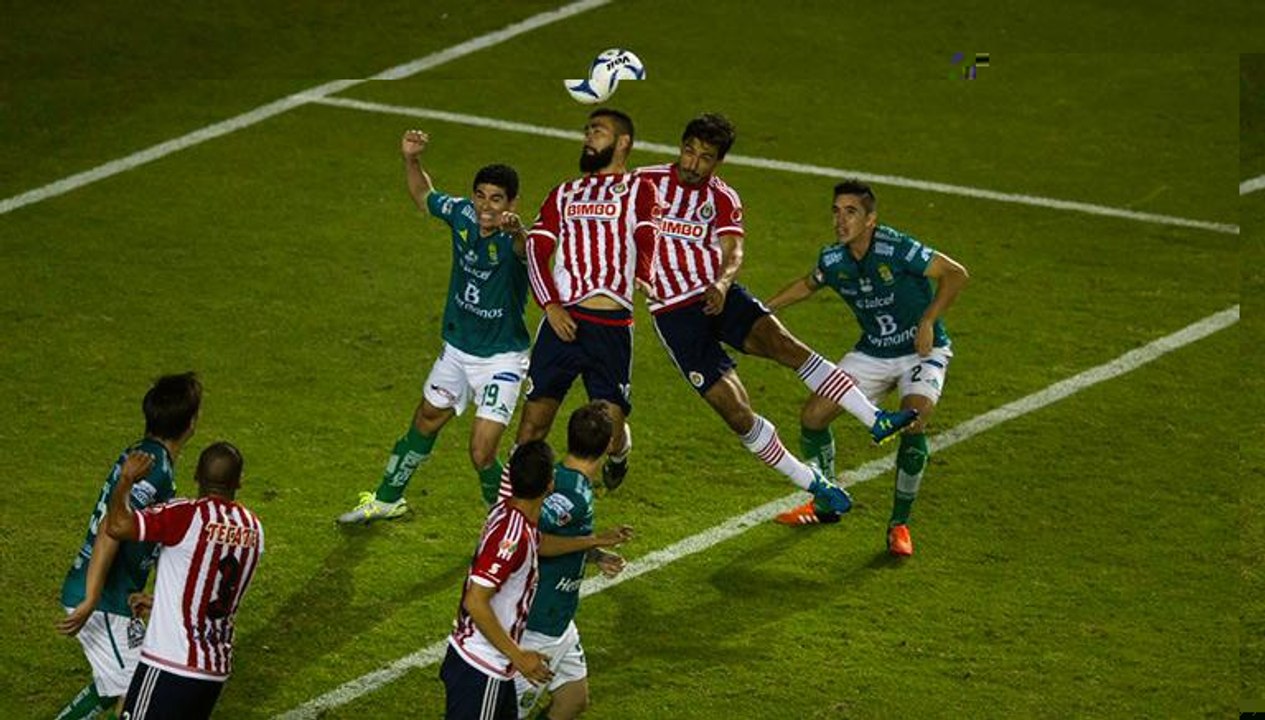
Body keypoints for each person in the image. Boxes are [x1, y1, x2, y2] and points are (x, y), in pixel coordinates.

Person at [633, 114, 917, 512]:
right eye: (689, 151)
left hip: (719, 295)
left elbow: (734, 250)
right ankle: (812, 482)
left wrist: (722, 282)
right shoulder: (642, 183)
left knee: (787, 345)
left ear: (719, 162)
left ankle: (874, 418)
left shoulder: (722, 198)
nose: (693, 163)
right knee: (736, 413)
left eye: (705, 157)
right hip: (674, 315)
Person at [339, 129, 532, 524]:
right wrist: (412, 160)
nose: (486, 206)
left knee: (481, 452)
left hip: (501, 360)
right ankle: (387, 498)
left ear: (512, 203)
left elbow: (522, 248)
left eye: (497, 199)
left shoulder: (518, 242)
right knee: (425, 418)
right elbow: (425, 196)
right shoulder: (462, 214)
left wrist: (518, 230)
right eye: (481, 196)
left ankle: (509, 523)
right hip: (458, 349)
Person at [769, 179, 969, 557]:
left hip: (920, 350)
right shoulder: (833, 259)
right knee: (813, 416)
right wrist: (764, 309)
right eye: (836, 211)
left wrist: (929, 319)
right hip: (873, 351)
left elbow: (955, 273)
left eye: (851, 212)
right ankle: (826, 502)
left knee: (914, 419)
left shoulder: (897, 248)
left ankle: (899, 524)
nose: (840, 221)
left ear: (871, 219)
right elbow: (808, 285)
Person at [503, 108, 660, 496]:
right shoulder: (564, 193)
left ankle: (619, 453)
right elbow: (538, 250)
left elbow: (646, 234)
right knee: (531, 428)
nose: (588, 137)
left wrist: (644, 270)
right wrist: (551, 307)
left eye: (598, 131)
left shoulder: (639, 190)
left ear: (622, 143)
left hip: (611, 328)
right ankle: (510, 511)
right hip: (563, 323)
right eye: (587, 131)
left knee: (605, 435)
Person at [55, 372, 202, 720]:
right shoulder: (154, 470)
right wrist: (92, 598)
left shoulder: (144, 455)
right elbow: (111, 528)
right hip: (103, 597)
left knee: (119, 683)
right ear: (191, 424)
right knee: (136, 688)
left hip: (117, 594)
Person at [105, 441, 264, 719]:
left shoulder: (186, 514)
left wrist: (126, 478)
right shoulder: (253, 528)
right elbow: (212, 588)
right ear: (238, 481)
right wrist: (162, 604)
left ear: (196, 476)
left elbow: (117, 525)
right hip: (213, 673)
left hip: (169, 664)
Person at [515, 402, 634, 719]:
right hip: (539, 626)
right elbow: (532, 540)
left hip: (561, 624)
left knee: (573, 701)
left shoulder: (565, 479)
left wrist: (594, 555)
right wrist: (595, 540)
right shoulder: (573, 495)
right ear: (610, 445)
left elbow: (561, 539)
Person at [443, 440, 556, 720]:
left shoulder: (510, 514)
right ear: (550, 485)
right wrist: (519, 656)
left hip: (492, 665)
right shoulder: (513, 535)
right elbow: (475, 600)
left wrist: (592, 543)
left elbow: (538, 543)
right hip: (482, 667)